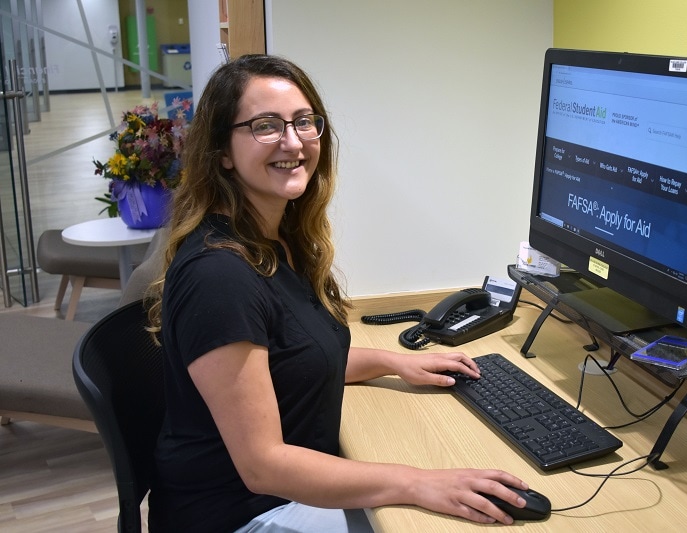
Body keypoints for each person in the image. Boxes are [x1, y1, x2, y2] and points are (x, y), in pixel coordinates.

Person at [145, 54, 530, 532]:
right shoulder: (219, 276)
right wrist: (416, 482)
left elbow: (288, 364)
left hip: (278, 497)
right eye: (265, 126)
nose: (293, 141)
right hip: (242, 514)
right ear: (222, 150)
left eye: (304, 122)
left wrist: (394, 362)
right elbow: (262, 465)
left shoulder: (279, 240)